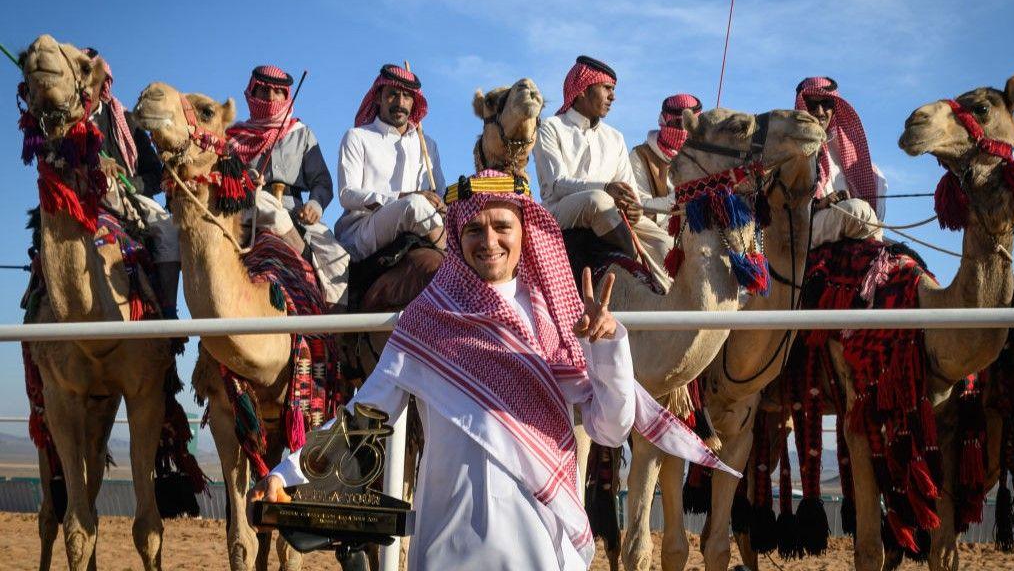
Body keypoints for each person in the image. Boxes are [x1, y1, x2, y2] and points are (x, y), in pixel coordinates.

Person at [248, 172, 738, 570]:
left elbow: (611, 430)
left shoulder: (558, 321)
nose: (490, 241)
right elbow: (367, 412)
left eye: (503, 227)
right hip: (449, 540)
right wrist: (289, 474)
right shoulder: (428, 319)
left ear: (526, 232)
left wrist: (608, 347)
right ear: (458, 237)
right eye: (475, 230)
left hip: (538, 542)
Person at [227, 65, 350, 307]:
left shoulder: (301, 133)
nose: (271, 98)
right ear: (252, 93)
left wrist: (314, 205)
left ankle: (337, 332)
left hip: (295, 211)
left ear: (287, 95)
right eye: (263, 91)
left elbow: (322, 182)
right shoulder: (233, 138)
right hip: (248, 210)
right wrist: (244, 182)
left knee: (338, 257)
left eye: (278, 92)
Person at [533, 55, 674, 264]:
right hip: (560, 212)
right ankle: (635, 267)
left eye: (613, 90)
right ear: (582, 89)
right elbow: (556, 185)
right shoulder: (550, 127)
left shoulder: (615, 137)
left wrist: (633, 208)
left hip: (612, 214)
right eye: (606, 88)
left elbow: (629, 190)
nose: (613, 96)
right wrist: (606, 188)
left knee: (666, 245)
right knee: (597, 200)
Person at [86, 48, 180, 319]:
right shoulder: (68, 124)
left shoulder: (126, 121)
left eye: (92, 80)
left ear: (103, 84)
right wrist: (93, 163)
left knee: (168, 230)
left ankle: (168, 311)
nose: (86, 88)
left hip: (128, 195)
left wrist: (135, 185)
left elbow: (155, 174)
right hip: (82, 193)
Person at [335, 64, 446, 262]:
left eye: (407, 96)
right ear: (378, 97)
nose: (400, 103)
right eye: (392, 94)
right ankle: (452, 263)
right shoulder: (358, 136)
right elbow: (346, 194)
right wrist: (400, 197)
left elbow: (441, 194)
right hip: (364, 229)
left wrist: (442, 205)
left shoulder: (428, 145)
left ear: (414, 102)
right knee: (415, 204)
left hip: (424, 223)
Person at [795, 76, 889, 248]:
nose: (820, 112)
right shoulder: (790, 150)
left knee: (876, 180)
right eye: (812, 105)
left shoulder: (840, 151)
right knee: (858, 211)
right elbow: (782, 207)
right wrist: (820, 204)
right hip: (802, 231)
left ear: (834, 107)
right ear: (802, 106)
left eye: (826, 104)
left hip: (845, 228)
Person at [629, 93, 702, 228]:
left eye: (689, 125)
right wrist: (680, 198)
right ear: (663, 121)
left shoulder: (703, 159)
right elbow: (639, 205)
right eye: (677, 123)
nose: (683, 130)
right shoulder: (640, 156)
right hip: (657, 232)